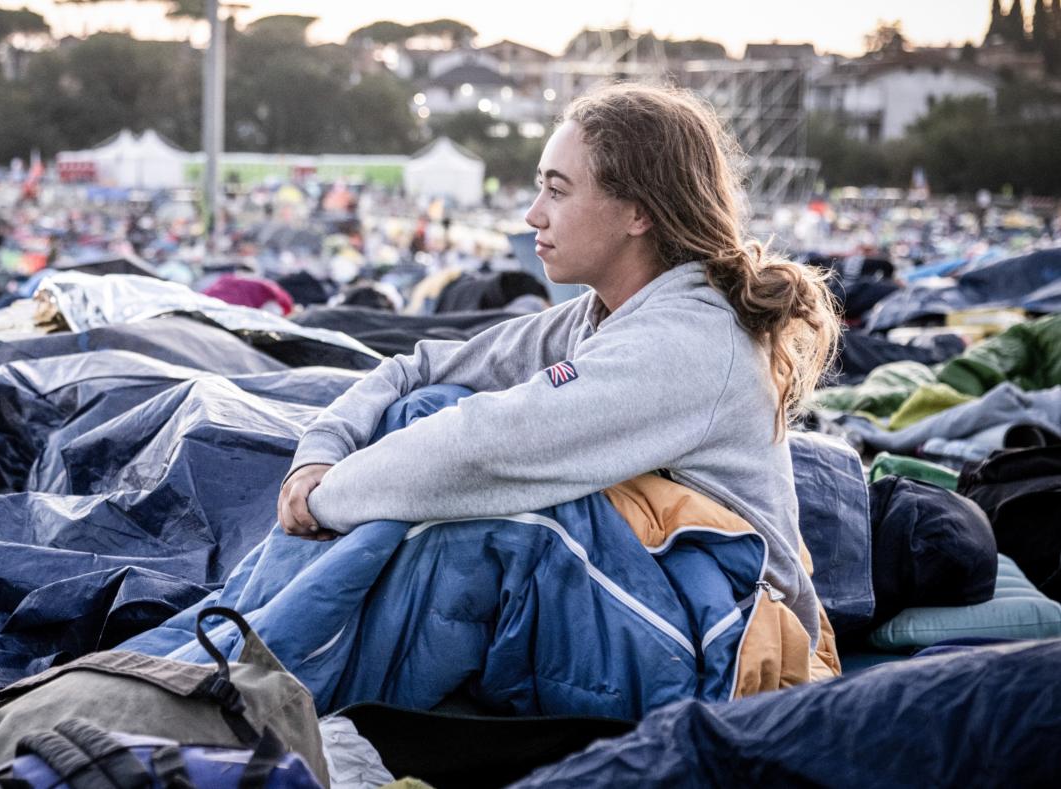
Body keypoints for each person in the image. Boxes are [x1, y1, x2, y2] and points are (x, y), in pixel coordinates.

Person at [277, 84, 840, 644]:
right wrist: (320, 455)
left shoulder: (687, 344)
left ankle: (256, 664)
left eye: (557, 191)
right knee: (426, 410)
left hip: (737, 640)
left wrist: (327, 501)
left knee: (496, 527)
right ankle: (248, 650)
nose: (532, 214)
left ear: (638, 212)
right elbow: (420, 369)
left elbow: (482, 450)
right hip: (668, 606)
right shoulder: (600, 315)